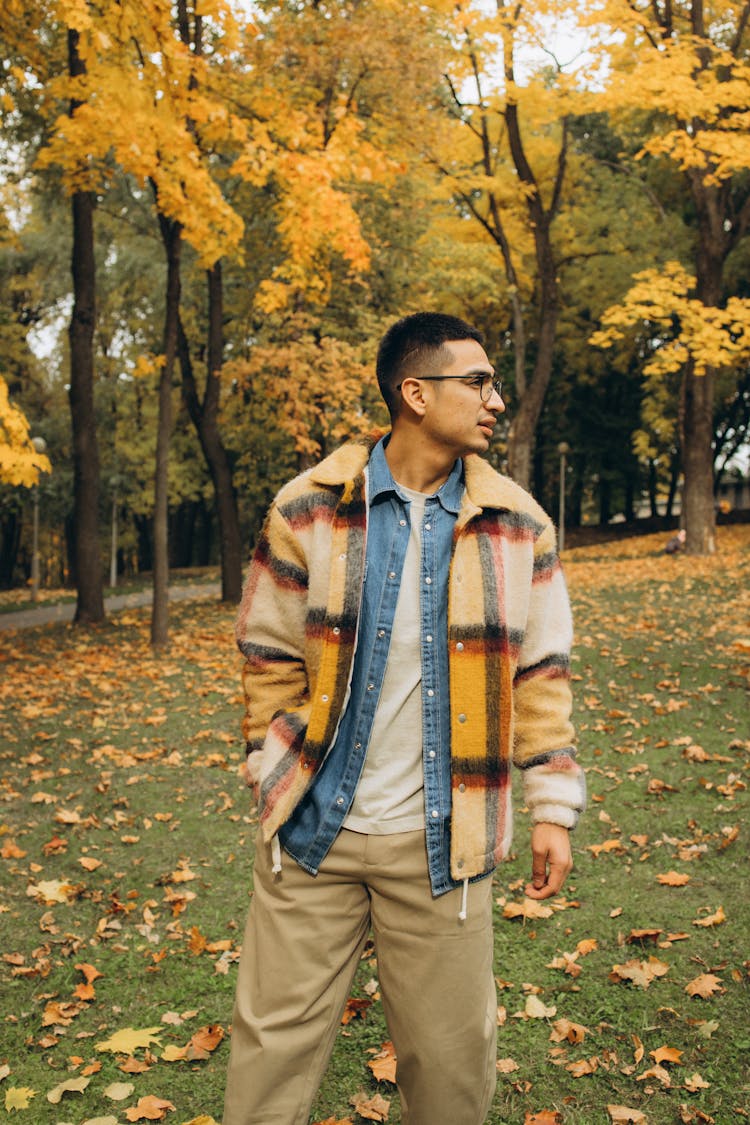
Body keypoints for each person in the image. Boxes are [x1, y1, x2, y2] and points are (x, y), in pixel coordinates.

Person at [222, 312, 585, 1125]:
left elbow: (542, 676)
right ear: (414, 393)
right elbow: (267, 652)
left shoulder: (519, 525)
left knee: (452, 1071)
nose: (496, 399)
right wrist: (272, 766)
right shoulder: (308, 508)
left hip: (444, 842)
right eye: (478, 382)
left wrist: (552, 806)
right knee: (268, 1058)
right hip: (315, 831)